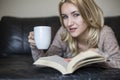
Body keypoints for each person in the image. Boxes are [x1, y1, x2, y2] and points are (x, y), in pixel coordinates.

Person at [28, 0, 120, 68]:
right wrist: (35, 47)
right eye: (65, 17)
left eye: (76, 15)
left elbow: (118, 63)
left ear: (90, 15)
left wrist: (95, 59)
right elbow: (43, 62)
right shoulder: (63, 32)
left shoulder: (105, 32)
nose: (69, 23)